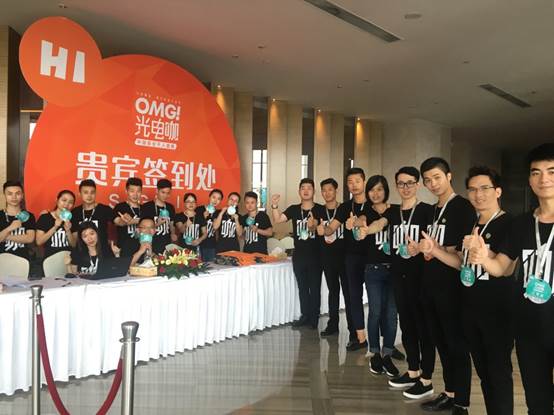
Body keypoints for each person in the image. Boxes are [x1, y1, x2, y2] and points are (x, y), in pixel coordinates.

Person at [420, 166, 514, 415]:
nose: (478, 194)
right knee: (484, 373)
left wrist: (483, 255)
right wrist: (434, 250)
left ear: (498, 191)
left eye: (485, 188)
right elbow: (461, 263)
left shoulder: (509, 223)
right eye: (472, 190)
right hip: (470, 308)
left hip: (497, 311)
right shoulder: (472, 224)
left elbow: (505, 268)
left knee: (498, 374)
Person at [468, 143, 554, 415]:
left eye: (552, 171)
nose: (544, 179)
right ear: (529, 179)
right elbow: (501, 267)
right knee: (537, 403)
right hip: (529, 330)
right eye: (536, 172)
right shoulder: (522, 224)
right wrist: (483, 257)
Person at [416, 157, 475, 415]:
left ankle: (461, 402)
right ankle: (450, 393)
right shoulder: (431, 210)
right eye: (428, 180)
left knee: (457, 345)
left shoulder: (462, 207)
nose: (433, 184)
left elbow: (459, 255)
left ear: (449, 176)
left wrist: (438, 249)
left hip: (452, 289)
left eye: (437, 177)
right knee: (441, 342)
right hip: (431, 286)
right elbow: (435, 248)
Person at [385, 167, 436, 400]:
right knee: (407, 326)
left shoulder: (427, 211)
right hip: (399, 276)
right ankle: (413, 371)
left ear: (418, 184)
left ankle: (426, 379)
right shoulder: (393, 212)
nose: (405, 187)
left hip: (421, 279)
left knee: (423, 328)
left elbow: (433, 246)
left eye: (410, 183)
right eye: (401, 183)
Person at [322, 167, 375, 350]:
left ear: (364, 182)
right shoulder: (345, 207)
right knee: (353, 298)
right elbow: (332, 228)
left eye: (357, 181)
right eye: (350, 182)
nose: (354, 185)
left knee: (377, 301)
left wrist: (358, 221)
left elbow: (370, 219)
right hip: (351, 258)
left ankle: (385, 342)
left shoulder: (373, 203)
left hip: (372, 257)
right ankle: (357, 336)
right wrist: (322, 229)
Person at [357, 175, 398, 377]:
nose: (375, 193)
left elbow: (382, 223)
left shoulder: (395, 211)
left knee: (391, 313)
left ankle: (387, 353)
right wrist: (359, 226)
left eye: (380, 189)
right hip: (373, 269)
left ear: (386, 190)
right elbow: (361, 222)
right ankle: (374, 352)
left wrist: (369, 230)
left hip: (395, 269)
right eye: (372, 190)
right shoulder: (365, 211)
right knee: (375, 311)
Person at [271, 178, 324, 329]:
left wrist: (315, 225)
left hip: (316, 255)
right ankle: (305, 315)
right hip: (299, 255)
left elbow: (326, 229)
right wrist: (274, 205)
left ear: (314, 191)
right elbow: (278, 219)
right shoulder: (294, 209)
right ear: (299, 191)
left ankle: (314, 318)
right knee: (302, 287)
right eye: (303, 188)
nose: (306, 190)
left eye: (309, 188)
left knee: (315, 287)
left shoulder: (320, 209)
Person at [315, 178, 354, 338]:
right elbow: (313, 226)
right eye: (324, 190)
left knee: (348, 293)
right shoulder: (319, 211)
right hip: (327, 257)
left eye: (330, 189)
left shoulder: (344, 209)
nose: (327, 193)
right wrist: (312, 226)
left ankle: (353, 328)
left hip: (344, 257)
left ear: (336, 190)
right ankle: (333, 325)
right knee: (333, 292)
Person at [71, 179, 113, 255]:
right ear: (80, 194)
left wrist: (126, 220)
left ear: (95, 193)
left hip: (103, 254)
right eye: (86, 192)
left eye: (92, 192)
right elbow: (75, 240)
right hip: (82, 255)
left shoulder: (105, 209)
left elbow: (119, 222)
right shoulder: (74, 212)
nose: (89, 196)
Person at [0, 181, 36, 261]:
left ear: (22, 195)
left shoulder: (28, 216)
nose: (14, 197)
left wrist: (5, 237)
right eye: (10, 194)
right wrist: (10, 228)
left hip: (22, 260)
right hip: (2, 260)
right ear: (4, 195)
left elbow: (30, 238)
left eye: (17, 193)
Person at [36, 190, 77, 259]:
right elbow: (39, 242)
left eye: (70, 202)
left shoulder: (73, 219)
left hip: (68, 258)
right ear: (57, 200)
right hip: (50, 258)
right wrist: (55, 227)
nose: (66, 204)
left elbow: (74, 245)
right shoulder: (44, 217)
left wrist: (68, 230)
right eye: (64, 200)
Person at [140, 179, 178, 254]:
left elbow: (172, 224)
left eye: (168, 193)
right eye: (163, 192)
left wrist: (173, 233)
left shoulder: (170, 207)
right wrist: (157, 224)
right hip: (151, 245)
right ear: (157, 191)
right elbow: (142, 229)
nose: (165, 195)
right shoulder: (147, 207)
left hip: (166, 245)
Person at [113, 177, 143, 257]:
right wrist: (124, 221)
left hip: (141, 250)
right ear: (126, 191)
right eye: (132, 191)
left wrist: (133, 221)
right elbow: (118, 222)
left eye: (138, 191)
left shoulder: (144, 208)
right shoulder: (120, 207)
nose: (135, 194)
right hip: (124, 250)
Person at [197, 189, 223, 261]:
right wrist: (203, 217)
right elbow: (194, 225)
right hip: (199, 243)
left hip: (211, 245)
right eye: (214, 197)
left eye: (218, 199)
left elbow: (215, 227)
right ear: (209, 197)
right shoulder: (199, 209)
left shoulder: (217, 213)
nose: (215, 200)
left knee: (210, 266)